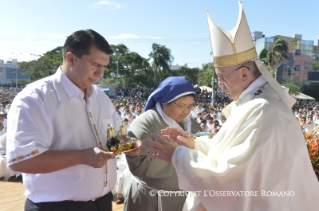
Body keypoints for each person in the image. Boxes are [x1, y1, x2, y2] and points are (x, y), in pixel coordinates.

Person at [143, 2, 319, 211]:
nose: (219, 85)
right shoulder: (255, 103)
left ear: (244, 74)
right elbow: (231, 151)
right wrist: (194, 145)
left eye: (221, 77)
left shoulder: (263, 108)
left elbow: (233, 173)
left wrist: (178, 155)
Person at [6, 29, 141, 211]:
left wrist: (130, 143)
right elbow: (20, 161)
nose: (100, 73)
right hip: (55, 207)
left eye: (104, 66)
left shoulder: (101, 97)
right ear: (71, 59)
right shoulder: (35, 98)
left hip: (102, 203)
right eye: (95, 64)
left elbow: (116, 137)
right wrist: (83, 156)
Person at [124, 76, 201, 211]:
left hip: (183, 198)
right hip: (151, 198)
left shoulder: (192, 124)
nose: (187, 111)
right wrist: (181, 159)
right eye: (182, 106)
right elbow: (139, 164)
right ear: (165, 102)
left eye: (190, 106)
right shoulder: (146, 122)